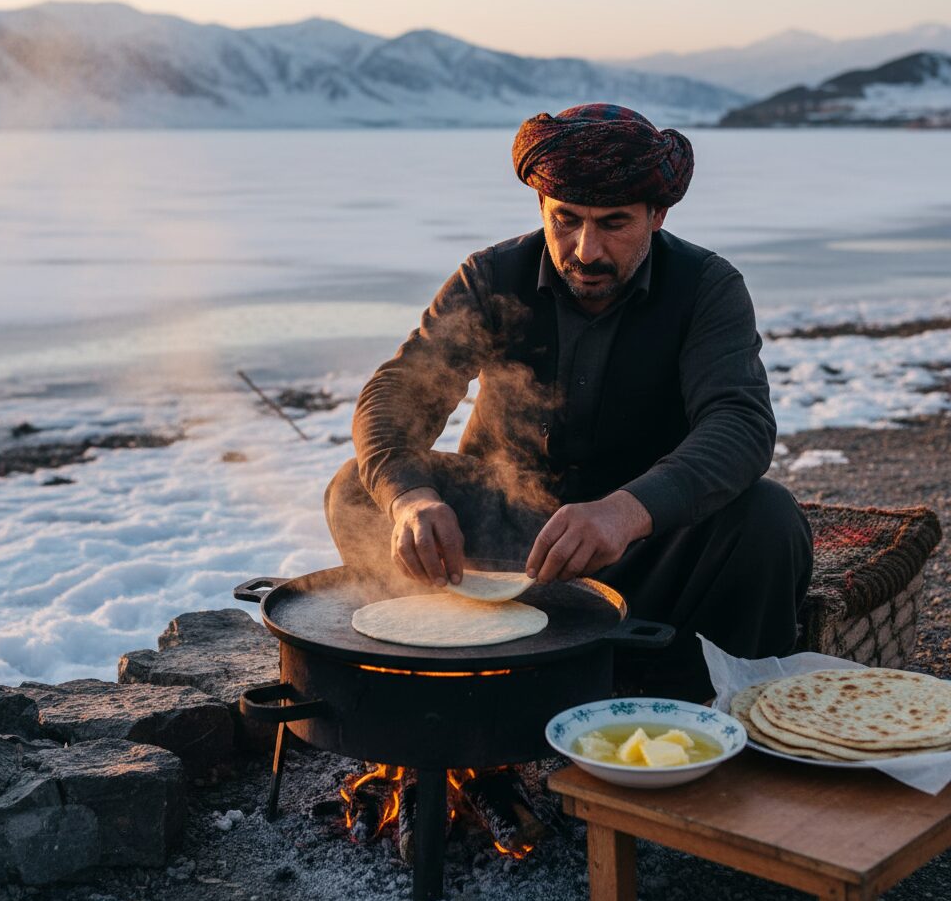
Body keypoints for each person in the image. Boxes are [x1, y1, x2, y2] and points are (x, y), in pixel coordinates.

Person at [324, 103, 812, 700]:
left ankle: (700, 703)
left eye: (614, 223)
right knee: (358, 486)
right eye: (566, 220)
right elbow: (397, 391)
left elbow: (739, 426)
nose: (585, 251)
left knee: (769, 518)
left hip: (640, 547)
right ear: (541, 208)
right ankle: (448, 660)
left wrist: (624, 511)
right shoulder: (490, 277)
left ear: (657, 215)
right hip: (500, 542)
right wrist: (410, 499)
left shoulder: (708, 289)